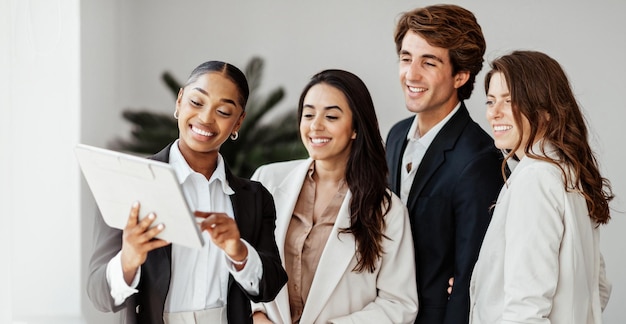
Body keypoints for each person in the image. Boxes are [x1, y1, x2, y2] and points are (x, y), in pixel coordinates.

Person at [86, 60, 287, 324]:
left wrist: (239, 252)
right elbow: (97, 293)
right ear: (179, 101)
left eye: (224, 111)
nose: (206, 118)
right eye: (196, 102)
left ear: (238, 122)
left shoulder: (255, 198)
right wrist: (128, 260)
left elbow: (270, 286)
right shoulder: (128, 182)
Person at [250, 69, 419, 323]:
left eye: (331, 116)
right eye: (308, 114)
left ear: (355, 129)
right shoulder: (267, 181)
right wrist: (257, 315)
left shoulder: (386, 210)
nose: (316, 125)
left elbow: (399, 304)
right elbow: (239, 263)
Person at [470, 50, 613, 323]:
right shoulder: (568, 172)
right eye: (490, 101)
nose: (494, 113)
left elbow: (525, 311)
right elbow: (599, 288)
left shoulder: (535, 179)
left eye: (509, 101)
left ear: (545, 110)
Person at [385, 5, 505, 324]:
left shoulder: (480, 159)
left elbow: (469, 278)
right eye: (406, 58)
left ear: (460, 75)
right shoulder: (396, 136)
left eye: (429, 62)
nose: (411, 74)